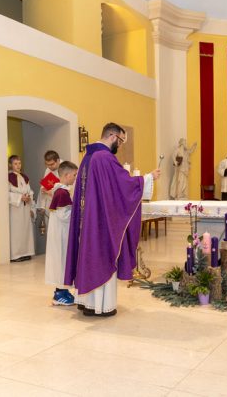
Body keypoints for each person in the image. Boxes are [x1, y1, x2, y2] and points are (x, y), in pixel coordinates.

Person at [65, 123, 160, 317]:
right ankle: (101, 306)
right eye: (121, 141)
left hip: (89, 218)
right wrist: (148, 178)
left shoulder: (88, 157)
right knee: (102, 256)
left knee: (88, 255)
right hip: (101, 221)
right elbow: (122, 185)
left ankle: (87, 303)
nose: (121, 145)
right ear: (113, 136)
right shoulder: (105, 157)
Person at [45, 161, 78, 306]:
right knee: (61, 262)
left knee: (63, 262)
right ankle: (59, 294)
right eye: (74, 175)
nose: (75, 178)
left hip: (61, 233)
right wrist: (78, 212)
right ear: (66, 175)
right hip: (61, 235)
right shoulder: (61, 193)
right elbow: (64, 216)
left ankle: (63, 291)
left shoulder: (61, 191)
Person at [8, 155, 35, 262]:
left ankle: (26, 252)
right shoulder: (8, 177)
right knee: (16, 231)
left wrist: (29, 197)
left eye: (19, 163)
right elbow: (6, 193)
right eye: (15, 163)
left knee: (25, 230)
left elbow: (30, 191)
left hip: (25, 207)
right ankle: (16, 255)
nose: (18, 165)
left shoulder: (25, 177)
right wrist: (20, 197)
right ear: (10, 165)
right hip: (15, 209)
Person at [35, 150, 61, 235]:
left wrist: (52, 192)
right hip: (49, 205)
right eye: (47, 164)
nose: (49, 167)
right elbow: (43, 187)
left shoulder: (65, 168)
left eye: (52, 164)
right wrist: (42, 206)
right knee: (50, 232)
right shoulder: (48, 170)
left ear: (58, 160)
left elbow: (67, 188)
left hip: (60, 206)